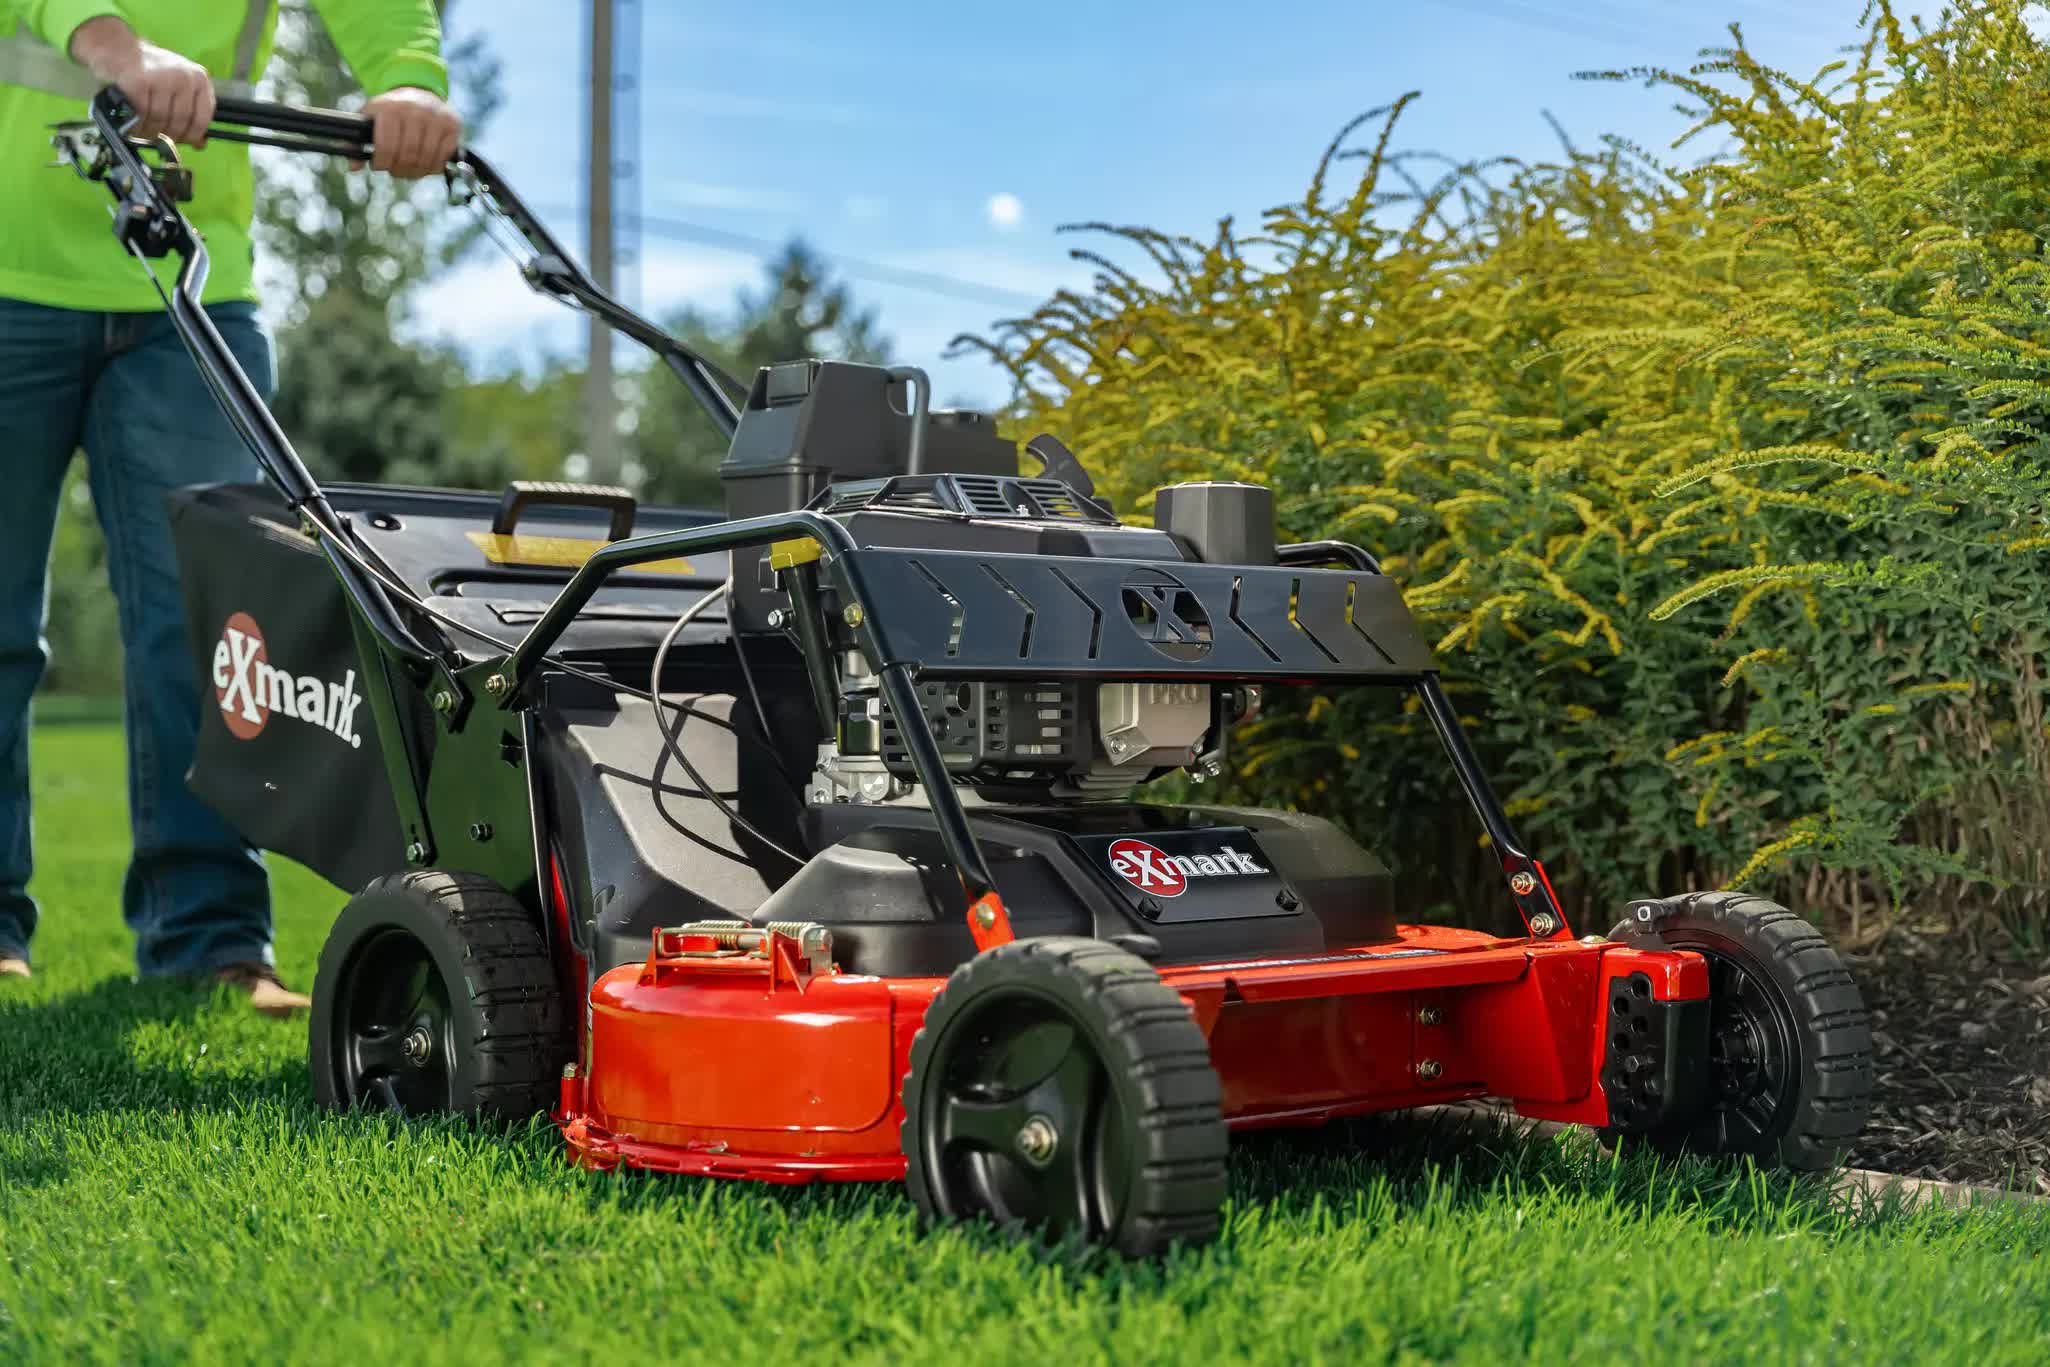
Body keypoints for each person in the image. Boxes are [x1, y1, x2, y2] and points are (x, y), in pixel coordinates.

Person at [0, 3, 462, 1013]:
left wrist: (407, 78)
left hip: (187, 274)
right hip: (7, 262)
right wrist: (115, 47)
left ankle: (209, 938)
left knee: (209, 626)